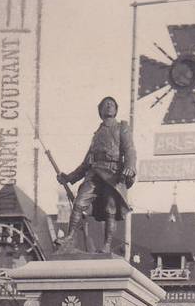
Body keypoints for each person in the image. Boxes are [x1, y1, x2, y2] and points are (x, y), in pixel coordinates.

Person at [57, 96, 136, 253]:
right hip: (95, 173)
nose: (109, 106)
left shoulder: (122, 128)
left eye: (112, 104)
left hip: (113, 174)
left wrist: (130, 167)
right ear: (100, 111)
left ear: (115, 110)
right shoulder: (97, 134)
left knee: (110, 210)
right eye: (105, 105)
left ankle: (106, 245)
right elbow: (86, 163)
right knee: (79, 203)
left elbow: (130, 150)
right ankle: (70, 236)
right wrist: (69, 178)